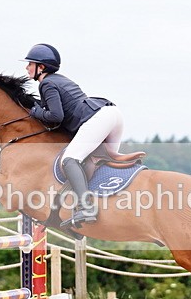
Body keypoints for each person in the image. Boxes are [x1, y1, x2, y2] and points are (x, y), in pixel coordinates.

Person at [22, 43, 124, 228]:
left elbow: (56, 116)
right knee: (96, 162)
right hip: (113, 115)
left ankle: (86, 208)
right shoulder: (60, 79)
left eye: (30, 63)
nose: (27, 67)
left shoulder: (46, 83)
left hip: (99, 118)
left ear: (41, 67)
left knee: (69, 159)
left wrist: (35, 112)